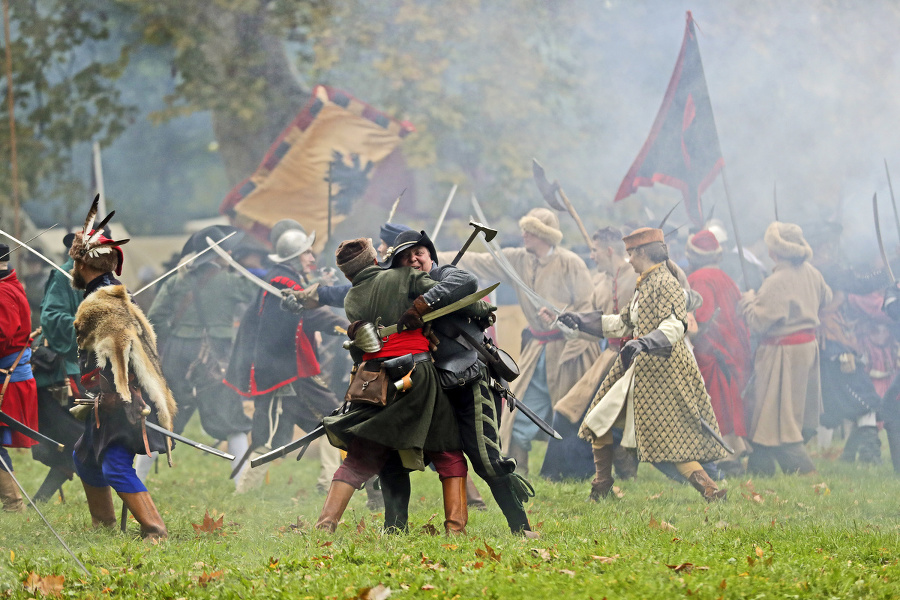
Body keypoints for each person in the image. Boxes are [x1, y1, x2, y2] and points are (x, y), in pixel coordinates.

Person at [377, 230, 537, 536]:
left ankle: (521, 526)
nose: (414, 259)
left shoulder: (447, 274)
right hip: (421, 387)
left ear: (431, 256)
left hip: (467, 380)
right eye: (406, 257)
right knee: (393, 451)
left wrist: (423, 306)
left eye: (418, 253)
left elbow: (467, 282)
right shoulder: (396, 292)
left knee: (486, 460)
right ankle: (394, 529)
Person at [560, 227, 728, 502]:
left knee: (670, 439)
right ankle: (602, 486)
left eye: (631, 254)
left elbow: (676, 324)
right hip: (639, 367)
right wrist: (580, 321)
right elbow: (622, 322)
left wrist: (644, 342)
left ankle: (711, 491)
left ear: (642, 253)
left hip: (665, 370)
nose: (628, 260)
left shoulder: (667, 283)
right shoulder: (644, 283)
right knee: (600, 420)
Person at [314, 238, 469, 534]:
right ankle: (456, 529)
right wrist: (423, 303)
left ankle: (325, 525)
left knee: (362, 455)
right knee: (447, 449)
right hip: (416, 374)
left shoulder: (350, 299)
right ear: (375, 261)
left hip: (374, 380)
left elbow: (360, 352)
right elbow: (463, 282)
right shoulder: (403, 276)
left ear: (347, 275)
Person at [448, 208, 600, 478]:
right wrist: (431, 259)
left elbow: (588, 308)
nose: (524, 235)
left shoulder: (571, 262)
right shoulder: (518, 259)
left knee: (572, 415)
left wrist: (560, 316)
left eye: (530, 231)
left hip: (571, 350)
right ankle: (517, 474)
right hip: (538, 349)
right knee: (517, 412)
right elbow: (479, 261)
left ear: (544, 235)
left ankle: (586, 473)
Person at [68, 200, 175, 539]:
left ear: (83, 264)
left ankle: (155, 528)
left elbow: (121, 354)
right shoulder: (109, 296)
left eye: (76, 261)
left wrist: (114, 395)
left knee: (114, 466)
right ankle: (104, 526)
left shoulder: (102, 303)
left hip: (121, 399)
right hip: (111, 397)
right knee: (85, 458)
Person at [224, 221, 347, 493]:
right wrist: (347, 327)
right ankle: (245, 491)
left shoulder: (286, 279)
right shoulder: (282, 282)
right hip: (285, 372)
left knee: (331, 422)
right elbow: (311, 314)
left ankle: (327, 484)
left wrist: (320, 288)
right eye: (306, 253)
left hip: (291, 369)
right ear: (294, 256)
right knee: (271, 434)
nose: (312, 257)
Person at [141, 226, 255, 487]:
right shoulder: (231, 281)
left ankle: (137, 480)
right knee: (232, 419)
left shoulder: (177, 280)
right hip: (216, 355)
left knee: (163, 418)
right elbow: (254, 295)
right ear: (221, 254)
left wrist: (173, 336)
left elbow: (155, 319)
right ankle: (242, 486)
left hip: (178, 353)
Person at [739, 222, 832, 476]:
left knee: (780, 419)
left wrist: (748, 301)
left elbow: (759, 321)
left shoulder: (776, 280)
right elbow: (827, 297)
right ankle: (760, 469)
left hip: (782, 354)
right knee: (769, 414)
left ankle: (805, 472)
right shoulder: (812, 272)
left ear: (774, 252)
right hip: (805, 350)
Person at [547, 227, 639, 482]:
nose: (592, 256)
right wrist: (564, 324)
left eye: (595, 251)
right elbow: (595, 328)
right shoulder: (602, 285)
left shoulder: (639, 277)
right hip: (608, 358)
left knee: (609, 423)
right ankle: (561, 474)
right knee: (568, 411)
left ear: (609, 251)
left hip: (636, 363)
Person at [685, 230, 752, 474]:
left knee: (715, 410)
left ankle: (723, 462)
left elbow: (701, 319)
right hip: (727, 352)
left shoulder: (700, 279)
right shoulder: (724, 277)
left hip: (711, 354)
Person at [29, 233, 85, 503]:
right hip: (57, 375)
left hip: (83, 370)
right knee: (74, 438)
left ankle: (38, 501)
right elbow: (52, 318)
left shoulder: (98, 280)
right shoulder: (63, 277)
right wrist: (87, 321)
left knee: (82, 439)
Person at [0, 243, 39, 512]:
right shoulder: (10, 286)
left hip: (7, 377)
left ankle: (14, 504)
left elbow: (2, 338)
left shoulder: (3, 292)